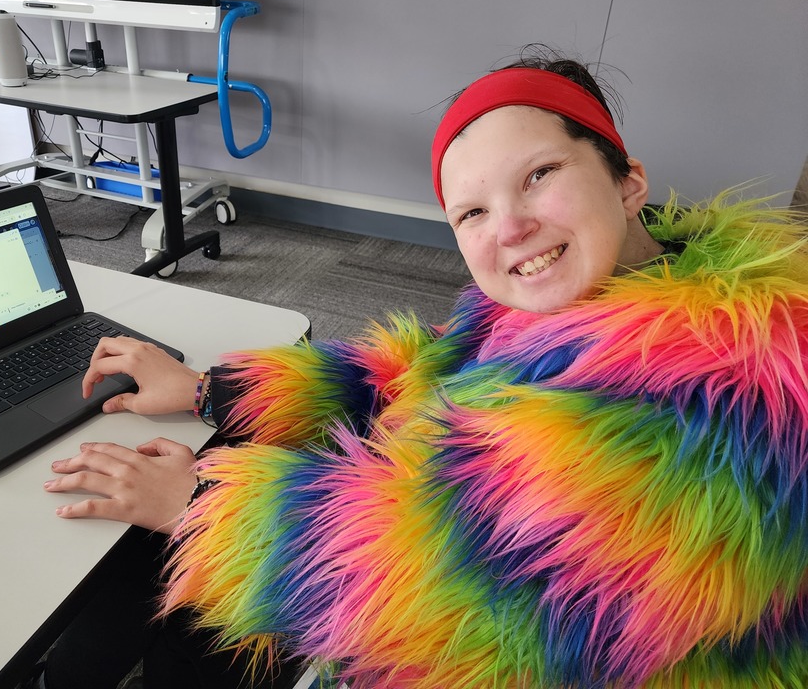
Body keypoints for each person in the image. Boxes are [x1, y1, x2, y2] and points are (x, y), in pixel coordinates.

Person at [41, 48, 808, 688]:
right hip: (463, 565)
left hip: (521, 650)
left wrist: (202, 505)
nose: (509, 227)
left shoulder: (716, 396)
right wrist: (214, 390)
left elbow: (464, 600)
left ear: (627, 179)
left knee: (195, 557)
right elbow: (414, 371)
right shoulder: (598, 290)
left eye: (539, 174)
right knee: (185, 506)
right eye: (471, 212)